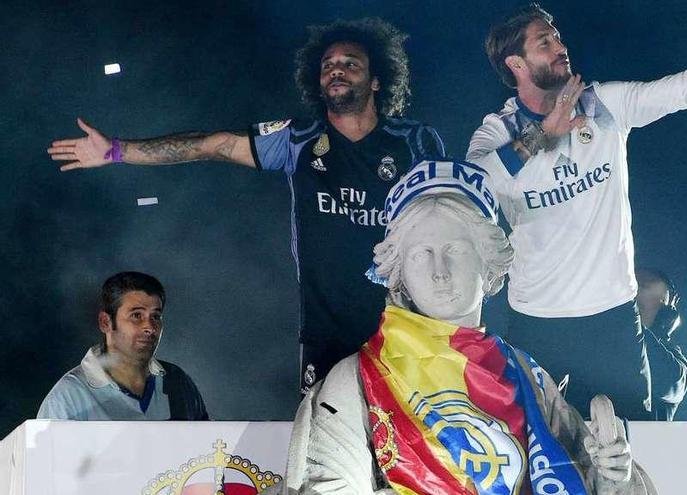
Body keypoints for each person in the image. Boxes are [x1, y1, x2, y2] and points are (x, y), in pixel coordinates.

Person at [47, 18, 445, 391]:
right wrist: (117, 151)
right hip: (327, 337)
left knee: (405, 453)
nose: (336, 70)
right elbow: (214, 144)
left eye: (350, 63)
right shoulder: (298, 139)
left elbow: (446, 226)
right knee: (329, 453)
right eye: (328, 65)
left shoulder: (414, 142)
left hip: (404, 327)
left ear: (377, 80)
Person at [466, 3, 687, 419]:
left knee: (629, 457)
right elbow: (474, 182)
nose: (560, 47)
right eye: (544, 42)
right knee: (528, 453)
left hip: (614, 321)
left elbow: (682, 90)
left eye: (558, 37)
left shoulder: (604, 104)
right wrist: (543, 135)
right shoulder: (498, 131)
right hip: (537, 321)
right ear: (516, 63)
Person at [285, 160, 657, 495]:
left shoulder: (529, 378)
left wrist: (615, 478)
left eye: (456, 250)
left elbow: (593, 486)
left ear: (489, 264)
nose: (439, 271)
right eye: (421, 254)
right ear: (399, 274)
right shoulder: (359, 378)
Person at [37, 272, 208, 420]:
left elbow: (206, 450)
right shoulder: (68, 398)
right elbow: (48, 458)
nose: (149, 326)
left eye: (156, 316)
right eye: (136, 315)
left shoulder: (178, 383)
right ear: (106, 322)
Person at [636, 269, 687, 421]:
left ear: (666, 314)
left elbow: (668, 381)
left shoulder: (676, 361)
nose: (635, 291)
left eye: (644, 286)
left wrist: (630, 321)